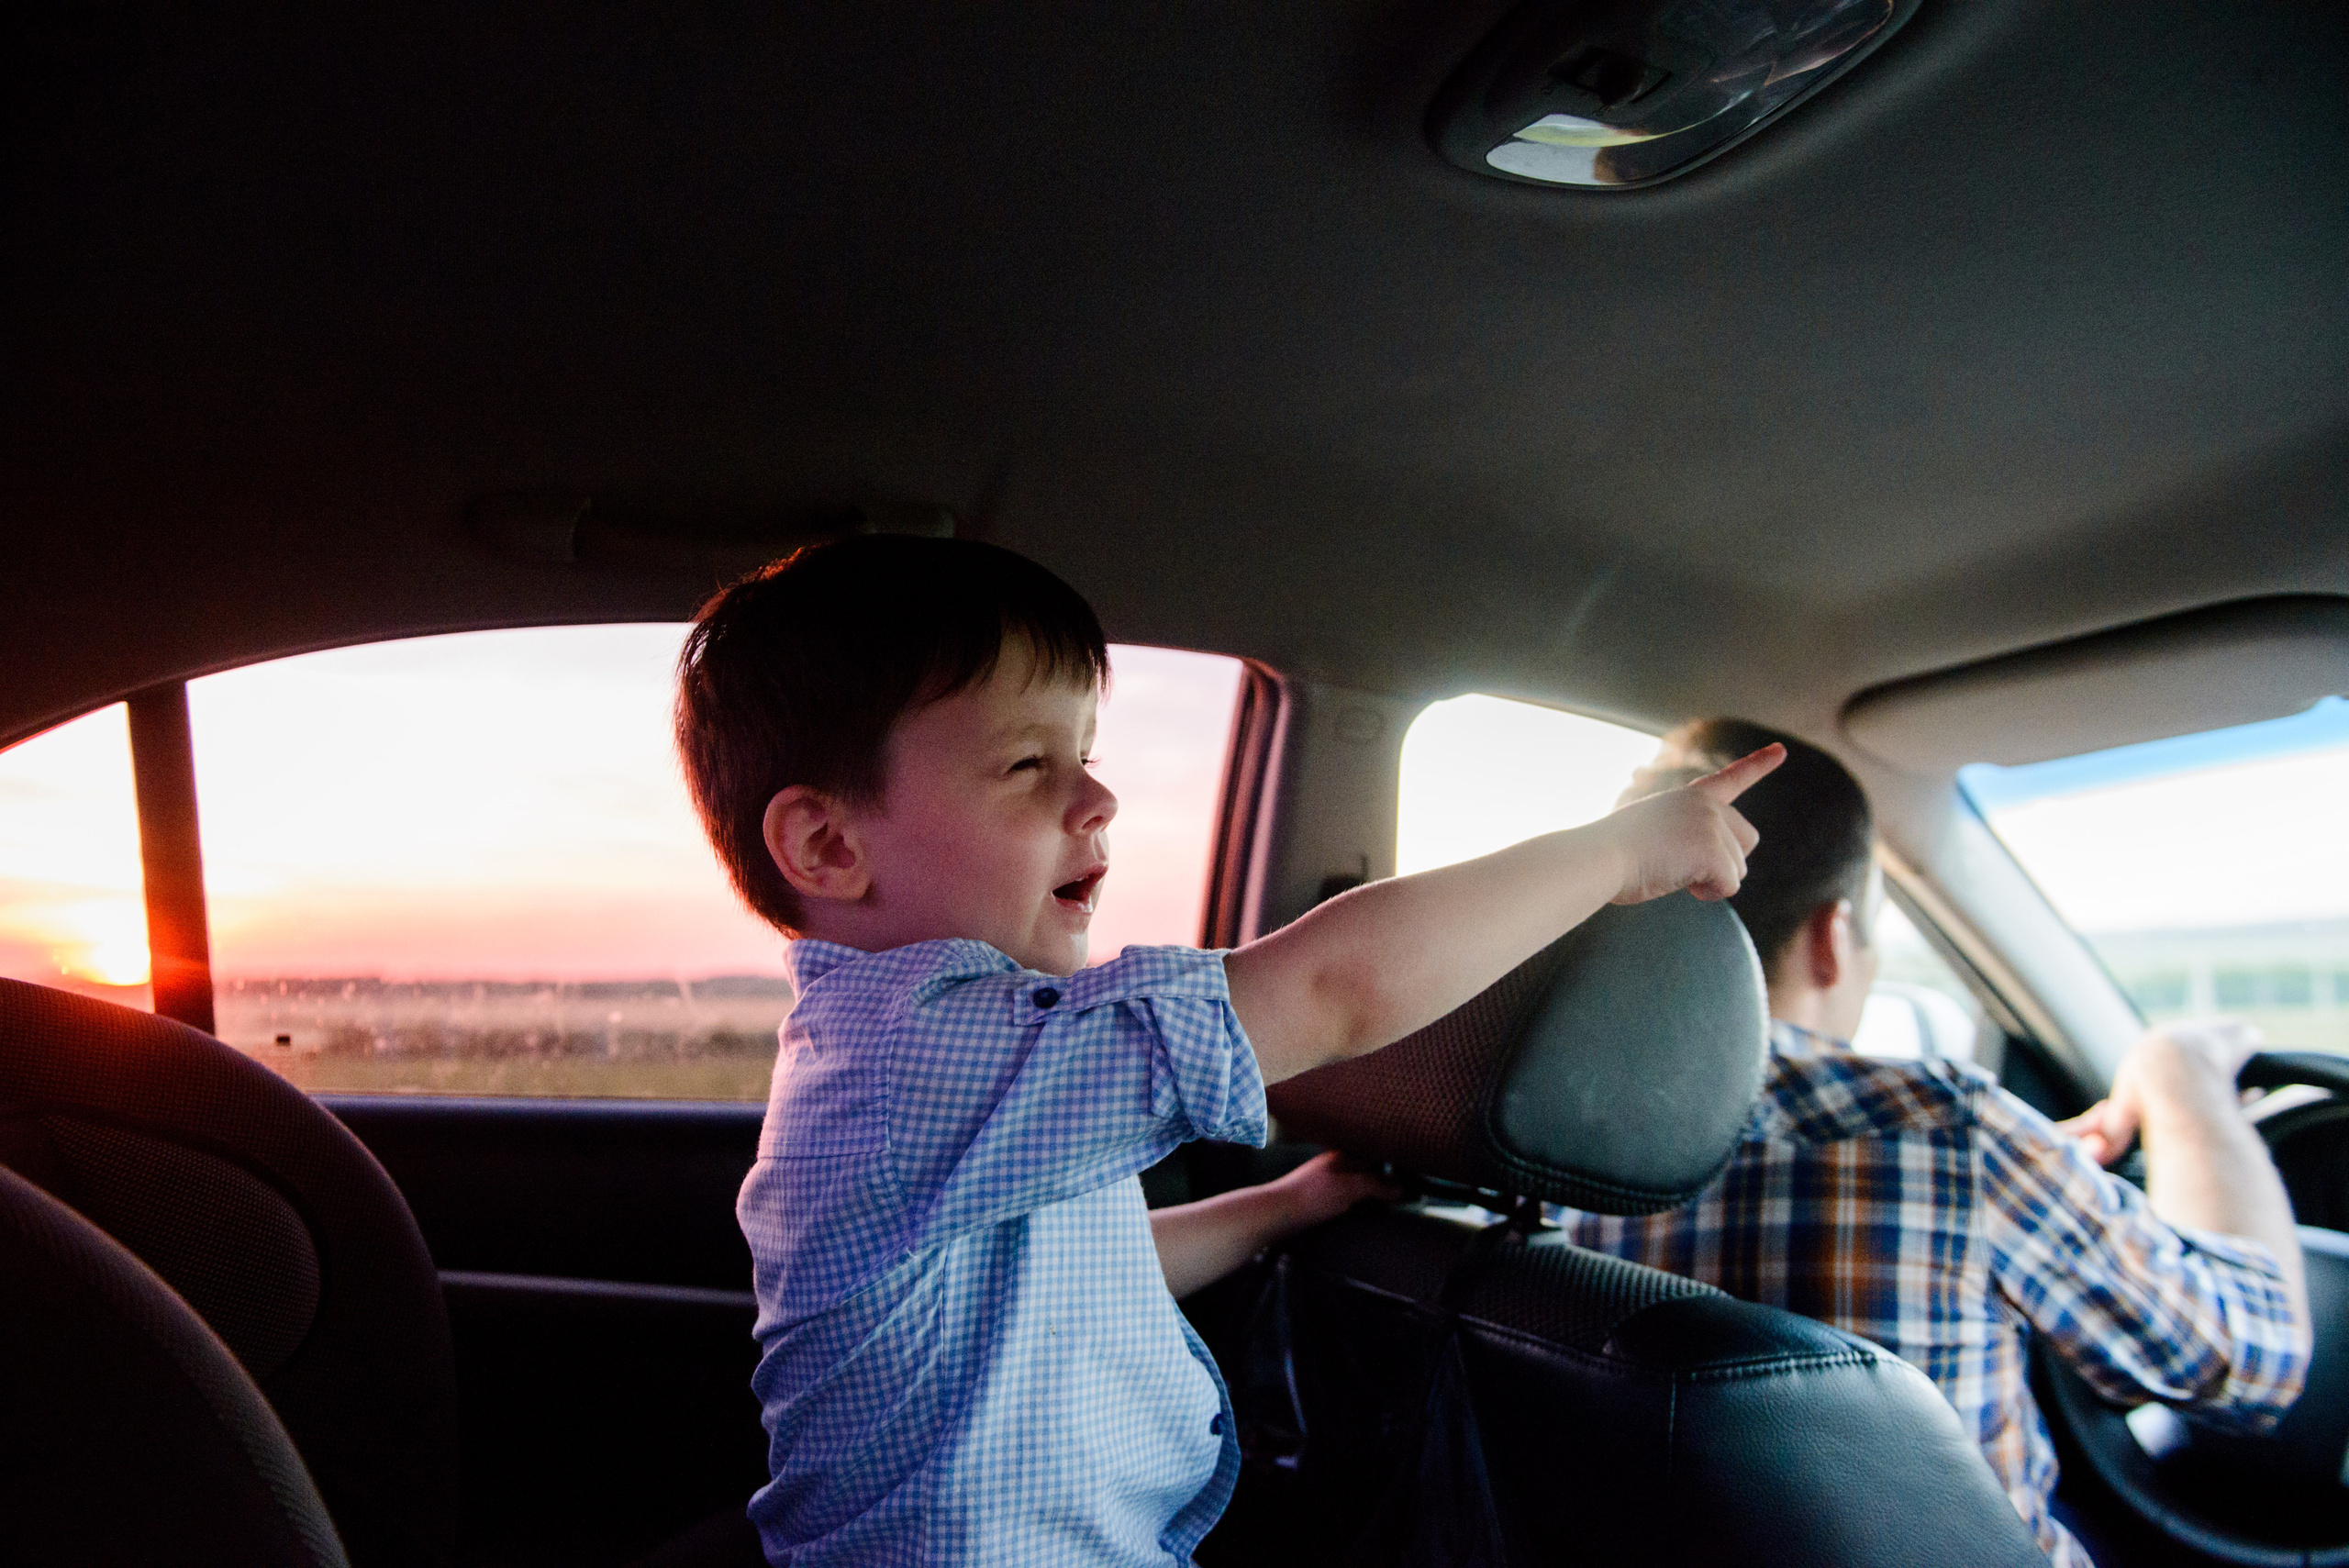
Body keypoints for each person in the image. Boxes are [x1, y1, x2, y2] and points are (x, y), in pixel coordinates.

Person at [671, 536, 1783, 1567]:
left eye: (1086, 755)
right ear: (826, 843)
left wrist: (1285, 1205)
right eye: (1025, 765)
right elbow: (1332, 990)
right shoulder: (915, 1056)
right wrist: (1615, 850)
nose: (1098, 796)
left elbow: (1071, 1269)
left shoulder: (957, 1070)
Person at [1550, 718, 2311, 1567]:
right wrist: (2181, 1079)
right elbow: (2260, 1360)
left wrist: (2034, 1169)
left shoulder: (1536, 1143)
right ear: (1834, 938)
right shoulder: (1948, 1129)